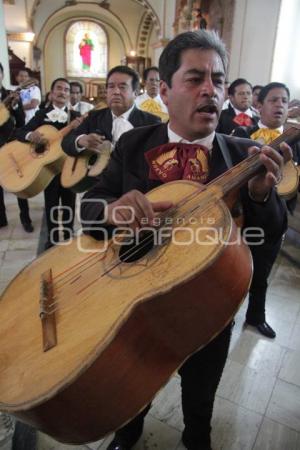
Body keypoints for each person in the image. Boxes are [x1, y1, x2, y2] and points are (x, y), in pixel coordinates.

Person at [80, 30, 290, 450]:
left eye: (217, 78)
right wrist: (113, 208)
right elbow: (89, 207)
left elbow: (269, 237)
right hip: (133, 299)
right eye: (195, 79)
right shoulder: (134, 142)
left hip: (209, 305)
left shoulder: (244, 154)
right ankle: (128, 431)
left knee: (201, 392)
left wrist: (261, 194)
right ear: (165, 89)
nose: (210, 90)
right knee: (131, 382)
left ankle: (198, 436)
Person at [233, 82, 300, 338]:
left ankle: (255, 317)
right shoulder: (241, 134)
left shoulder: (297, 138)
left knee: (263, 269)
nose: (280, 105)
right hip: (243, 214)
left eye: (284, 100)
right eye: (273, 100)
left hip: (275, 217)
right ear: (258, 105)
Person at [15, 78, 81, 249]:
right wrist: (31, 135)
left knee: (69, 204)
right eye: (59, 88)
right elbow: (20, 132)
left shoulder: (75, 117)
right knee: (51, 204)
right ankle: (51, 240)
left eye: (66, 90)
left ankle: (67, 237)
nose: (63, 92)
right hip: (48, 171)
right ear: (51, 93)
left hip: (68, 168)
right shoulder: (40, 115)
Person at [62, 65, 160, 157]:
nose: (116, 92)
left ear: (136, 92)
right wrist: (80, 140)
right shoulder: (94, 117)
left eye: (122, 87)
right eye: (111, 86)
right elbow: (67, 142)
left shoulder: (151, 123)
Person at [0, 63, 34, 232]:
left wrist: (14, 106)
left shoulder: (10, 95)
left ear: (2, 75)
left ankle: (25, 219)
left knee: (19, 182)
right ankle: (1, 219)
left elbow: (21, 122)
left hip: (10, 143)